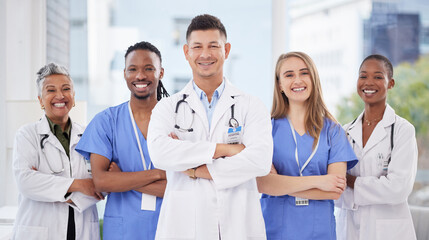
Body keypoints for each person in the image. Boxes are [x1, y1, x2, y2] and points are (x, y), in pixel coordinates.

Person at [147, 14, 273, 239]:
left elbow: (260, 161)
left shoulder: (251, 105)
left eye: (213, 46)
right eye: (197, 46)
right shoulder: (167, 108)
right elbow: (160, 153)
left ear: (226, 50)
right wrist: (224, 150)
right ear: (186, 52)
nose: (205, 54)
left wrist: (195, 170)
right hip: (184, 227)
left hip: (238, 226)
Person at [257, 52, 358, 240]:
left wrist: (280, 184)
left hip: (319, 231)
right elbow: (262, 183)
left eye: (304, 73)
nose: (297, 80)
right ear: (279, 84)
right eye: (289, 75)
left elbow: (335, 190)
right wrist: (319, 181)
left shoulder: (333, 131)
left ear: (313, 79)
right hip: (275, 230)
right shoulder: (265, 129)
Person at [75, 41, 169, 240]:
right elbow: (101, 182)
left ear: (161, 73)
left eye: (149, 68)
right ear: (124, 74)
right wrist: (158, 174)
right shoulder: (106, 122)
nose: (140, 75)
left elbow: (183, 187)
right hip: (122, 231)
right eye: (132, 69)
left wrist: (122, 179)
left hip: (169, 227)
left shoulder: (178, 121)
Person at [12, 63, 101, 240]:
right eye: (51, 90)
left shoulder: (90, 135)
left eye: (66, 89)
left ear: (74, 97)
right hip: (39, 231)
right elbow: (26, 182)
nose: (59, 95)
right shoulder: (27, 135)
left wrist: (48, 186)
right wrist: (80, 184)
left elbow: (102, 185)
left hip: (82, 231)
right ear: (40, 100)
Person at [335, 54, 418, 240]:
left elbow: (398, 188)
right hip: (349, 228)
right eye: (363, 76)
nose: (369, 82)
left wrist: (350, 182)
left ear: (391, 83)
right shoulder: (344, 132)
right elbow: (334, 190)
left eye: (378, 77)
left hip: (388, 232)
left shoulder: (402, 131)